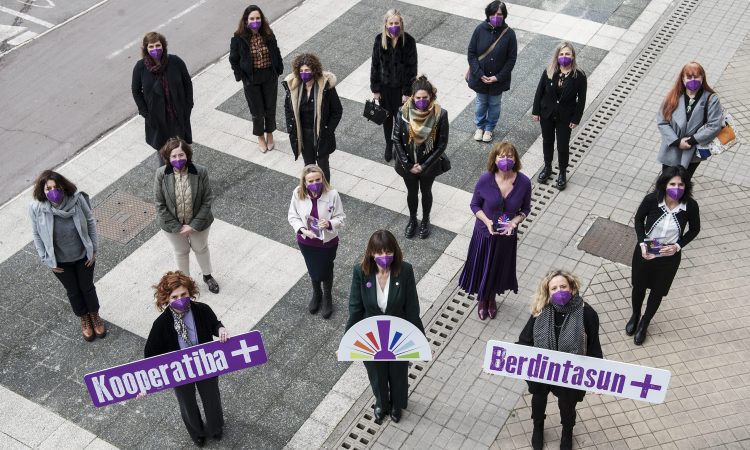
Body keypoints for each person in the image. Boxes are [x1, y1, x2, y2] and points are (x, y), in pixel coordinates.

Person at [517, 270, 602, 450]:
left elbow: (594, 347)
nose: (559, 291)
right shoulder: (540, 311)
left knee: (567, 406)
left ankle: (567, 432)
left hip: (569, 374)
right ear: (548, 292)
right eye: (554, 288)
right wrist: (499, 360)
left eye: (563, 286)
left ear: (572, 287)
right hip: (542, 370)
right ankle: (538, 427)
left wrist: (598, 379)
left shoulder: (587, 314)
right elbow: (524, 341)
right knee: (538, 399)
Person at [345, 230, 424, 424]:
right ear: (371, 253)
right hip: (371, 335)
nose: (384, 257)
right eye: (379, 253)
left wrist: (420, 339)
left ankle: (397, 404)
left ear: (395, 252)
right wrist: (347, 339)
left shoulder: (405, 270)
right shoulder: (361, 272)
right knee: (376, 372)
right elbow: (355, 308)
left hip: (398, 333)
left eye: (388, 252)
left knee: (398, 372)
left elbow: (412, 307)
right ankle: (381, 403)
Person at [143, 271, 229, 447]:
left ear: (190, 292)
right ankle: (197, 432)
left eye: (184, 294)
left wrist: (220, 329)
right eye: (174, 296)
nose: (180, 299)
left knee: (211, 397)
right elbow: (150, 354)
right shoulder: (161, 324)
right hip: (179, 370)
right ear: (166, 298)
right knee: (186, 402)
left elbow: (214, 324)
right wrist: (148, 383)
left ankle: (215, 427)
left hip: (205, 363)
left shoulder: (202, 310)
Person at [29, 170, 106, 341]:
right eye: (48, 188)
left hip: (83, 257)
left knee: (87, 287)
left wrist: (93, 249)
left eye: (56, 187)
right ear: (42, 191)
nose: (53, 191)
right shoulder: (36, 208)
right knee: (72, 291)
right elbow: (36, 235)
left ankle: (94, 315)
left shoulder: (77, 200)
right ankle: (84, 318)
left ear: (63, 186)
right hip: (60, 262)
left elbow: (91, 221)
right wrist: (46, 259)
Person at [458, 142, 531, 320]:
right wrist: (487, 221)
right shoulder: (485, 179)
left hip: (506, 236)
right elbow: (475, 205)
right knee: (483, 267)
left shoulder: (523, 182)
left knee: (498, 268)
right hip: (484, 233)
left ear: (515, 159)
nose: (505, 160)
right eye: (501, 156)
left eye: (509, 156)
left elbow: (525, 209)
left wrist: (514, 222)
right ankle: (482, 299)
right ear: (495, 158)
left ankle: (491, 298)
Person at [628, 166, 700, 345]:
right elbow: (638, 219)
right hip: (649, 246)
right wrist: (642, 243)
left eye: (681, 184)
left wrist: (677, 246)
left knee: (657, 291)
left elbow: (695, 229)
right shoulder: (652, 200)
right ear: (664, 184)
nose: (677, 188)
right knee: (639, 286)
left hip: (669, 252)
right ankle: (635, 315)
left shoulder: (690, 206)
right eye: (673, 183)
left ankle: (645, 323)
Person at [154, 138, 220, 294]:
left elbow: (207, 200)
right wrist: (178, 227)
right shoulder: (161, 174)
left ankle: (208, 276)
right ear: (168, 158)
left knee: (201, 248)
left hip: (199, 223)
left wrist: (193, 225)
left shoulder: (200, 171)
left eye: (181, 155)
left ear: (187, 155)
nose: (178, 159)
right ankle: (185, 282)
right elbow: (159, 204)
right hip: (172, 227)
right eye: (174, 156)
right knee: (181, 252)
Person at [392, 75, 449, 239]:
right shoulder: (402, 112)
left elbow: (441, 144)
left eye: (425, 97)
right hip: (408, 163)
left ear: (431, 97)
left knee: (426, 191)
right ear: (412, 97)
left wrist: (424, 166)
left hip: (428, 164)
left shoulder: (440, 114)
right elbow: (396, 138)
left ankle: (425, 220)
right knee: (411, 192)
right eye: (418, 98)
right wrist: (408, 165)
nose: (421, 101)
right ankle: (412, 220)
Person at [288, 164, 346, 319]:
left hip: (327, 242)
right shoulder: (297, 193)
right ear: (305, 182)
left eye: (317, 179)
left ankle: (327, 297)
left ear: (322, 178)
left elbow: (341, 217)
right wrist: (302, 230)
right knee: (312, 267)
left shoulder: (332, 194)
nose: (315, 183)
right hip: (307, 241)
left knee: (326, 269)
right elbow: (292, 216)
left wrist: (329, 223)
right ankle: (317, 293)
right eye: (311, 181)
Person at [532, 41, 587, 190]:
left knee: (563, 146)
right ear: (557, 57)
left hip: (565, 117)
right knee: (547, 141)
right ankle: (548, 167)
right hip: (547, 114)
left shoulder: (579, 76)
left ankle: (562, 172)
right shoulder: (550, 71)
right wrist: (536, 111)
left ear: (573, 56)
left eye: (567, 54)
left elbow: (581, 100)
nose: (564, 57)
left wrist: (576, 118)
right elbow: (539, 92)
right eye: (561, 54)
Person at [229, 5, 284, 153]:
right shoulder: (238, 38)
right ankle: (260, 136)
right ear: (246, 20)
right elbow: (234, 59)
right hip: (251, 78)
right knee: (257, 111)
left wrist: (279, 68)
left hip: (269, 75)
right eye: (252, 18)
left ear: (261, 19)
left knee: (270, 108)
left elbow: (276, 51)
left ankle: (270, 133)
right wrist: (241, 76)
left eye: (257, 18)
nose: (255, 21)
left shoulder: (267, 33)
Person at [131, 32, 194, 162]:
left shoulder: (175, 61)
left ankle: (186, 176)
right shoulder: (140, 67)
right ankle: (166, 179)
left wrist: (188, 105)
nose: (155, 49)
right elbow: (136, 91)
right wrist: (146, 113)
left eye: (158, 45)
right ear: (146, 48)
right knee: (163, 155)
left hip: (177, 116)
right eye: (151, 46)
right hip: (157, 119)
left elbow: (187, 82)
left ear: (163, 45)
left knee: (182, 151)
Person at [282, 53, 343, 182]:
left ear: (314, 70)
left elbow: (337, 111)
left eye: (307, 70)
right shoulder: (294, 87)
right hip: (303, 134)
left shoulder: (325, 87)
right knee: (309, 166)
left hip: (321, 133)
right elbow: (288, 109)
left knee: (323, 165)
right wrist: (291, 128)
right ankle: (312, 189)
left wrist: (328, 130)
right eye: (302, 70)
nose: (304, 73)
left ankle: (325, 190)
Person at [657, 61, 723, 178]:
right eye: (689, 77)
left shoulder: (711, 99)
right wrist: (677, 142)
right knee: (666, 182)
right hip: (672, 148)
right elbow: (662, 122)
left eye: (696, 76)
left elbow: (714, 125)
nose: (693, 80)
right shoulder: (673, 96)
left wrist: (691, 141)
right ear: (683, 79)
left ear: (702, 78)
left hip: (692, 150)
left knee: (683, 182)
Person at [370, 9, 418, 162]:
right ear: (386, 24)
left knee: (401, 119)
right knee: (387, 119)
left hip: (401, 89)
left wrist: (407, 91)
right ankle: (388, 144)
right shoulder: (379, 40)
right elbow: (375, 65)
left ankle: (399, 145)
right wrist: (375, 89)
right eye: (391, 23)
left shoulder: (408, 41)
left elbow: (412, 68)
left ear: (401, 24)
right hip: (384, 88)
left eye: (396, 23)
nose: (394, 26)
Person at [467, 1, 517, 143]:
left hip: (497, 80)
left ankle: (489, 129)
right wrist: (479, 73)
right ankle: (480, 127)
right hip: (480, 77)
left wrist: (498, 77)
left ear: (504, 16)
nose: (496, 16)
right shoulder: (479, 30)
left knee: (494, 103)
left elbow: (511, 59)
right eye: (493, 14)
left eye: (499, 14)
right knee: (481, 102)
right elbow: (471, 53)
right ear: (488, 14)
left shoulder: (509, 34)